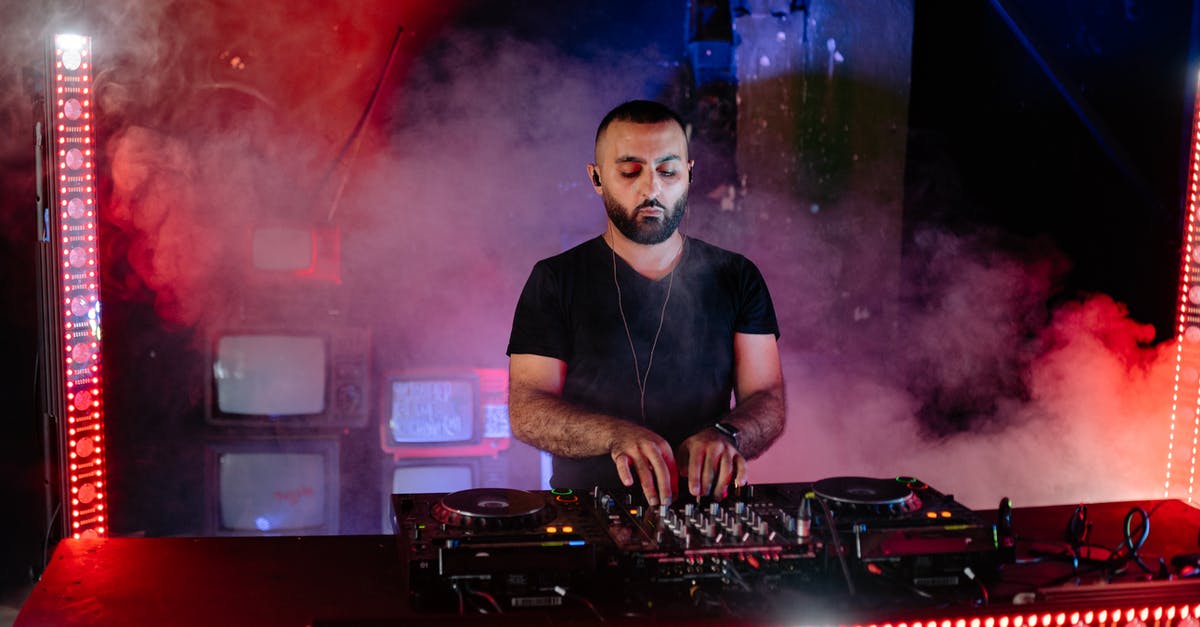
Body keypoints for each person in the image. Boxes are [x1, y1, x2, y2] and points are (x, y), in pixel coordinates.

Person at [506, 100, 785, 506]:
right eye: (630, 170)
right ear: (597, 178)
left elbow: (768, 399)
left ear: (688, 176)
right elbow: (527, 408)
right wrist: (615, 436)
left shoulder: (737, 277)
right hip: (588, 507)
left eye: (668, 171)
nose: (651, 188)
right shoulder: (555, 280)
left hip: (708, 510)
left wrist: (727, 435)